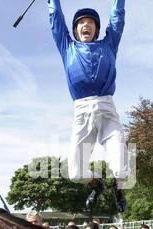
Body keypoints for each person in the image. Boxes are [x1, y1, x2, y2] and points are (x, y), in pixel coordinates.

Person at [48, 0, 128, 213]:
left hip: (107, 109)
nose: (86, 25)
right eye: (81, 22)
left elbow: (117, 17)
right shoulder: (67, 47)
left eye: (91, 22)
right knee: (75, 173)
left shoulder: (109, 44)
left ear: (97, 28)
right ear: (75, 29)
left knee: (121, 167)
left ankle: (118, 189)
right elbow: (56, 20)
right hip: (81, 111)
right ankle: (97, 183)